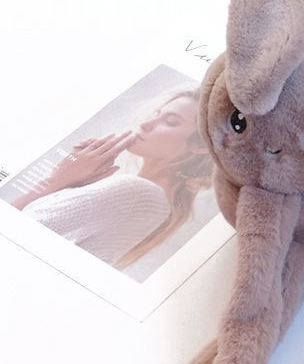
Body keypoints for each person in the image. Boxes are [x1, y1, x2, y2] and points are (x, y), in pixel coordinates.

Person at [14, 87, 213, 274]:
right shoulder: (153, 201)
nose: (146, 124)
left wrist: (56, 180)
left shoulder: (138, 191)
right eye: (156, 113)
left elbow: (15, 231)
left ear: (201, 146)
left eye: (170, 121)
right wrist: (75, 184)